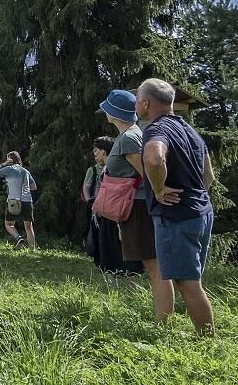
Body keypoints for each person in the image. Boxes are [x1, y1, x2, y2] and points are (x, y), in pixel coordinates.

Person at [137, 78, 216, 334]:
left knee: (187, 282)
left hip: (177, 216)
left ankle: (207, 341)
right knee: (193, 280)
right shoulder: (190, 131)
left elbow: (154, 157)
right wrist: (196, 195)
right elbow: (209, 176)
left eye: (138, 100)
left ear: (146, 103)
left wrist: (159, 189)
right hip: (201, 211)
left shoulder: (155, 129)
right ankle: (205, 335)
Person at [100, 88, 171, 320]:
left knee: (154, 266)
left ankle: (164, 321)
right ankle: (162, 317)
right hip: (133, 206)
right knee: (152, 265)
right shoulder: (129, 135)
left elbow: (146, 173)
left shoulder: (130, 137)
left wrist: (160, 193)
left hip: (138, 205)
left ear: (114, 113)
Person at [84, 135, 142, 284]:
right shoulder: (104, 168)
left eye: (96, 151)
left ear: (104, 151)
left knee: (120, 245)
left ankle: (130, 281)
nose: (94, 154)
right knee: (108, 245)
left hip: (117, 210)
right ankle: (112, 279)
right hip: (107, 211)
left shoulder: (113, 167)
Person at [0, 151, 38, 249]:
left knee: (9, 224)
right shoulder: (25, 171)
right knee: (28, 227)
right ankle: (32, 249)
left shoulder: (8, 169)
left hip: (13, 201)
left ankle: (19, 238)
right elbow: (34, 187)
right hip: (27, 201)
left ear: (10, 159)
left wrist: (4, 164)